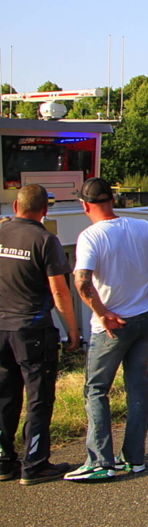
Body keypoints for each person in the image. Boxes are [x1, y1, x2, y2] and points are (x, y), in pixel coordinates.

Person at [64, 178, 148, 482]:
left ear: (84, 205)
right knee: (137, 388)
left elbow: (82, 281)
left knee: (96, 390)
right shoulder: (141, 226)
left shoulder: (90, 236)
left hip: (112, 327)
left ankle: (100, 462)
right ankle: (134, 458)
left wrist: (102, 314)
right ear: (113, 201)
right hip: (144, 318)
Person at [0, 184, 80, 485]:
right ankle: (35, 464)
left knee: (5, 395)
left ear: (15, 207)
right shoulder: (45, 240)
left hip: (1, 328)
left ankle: (4, 462)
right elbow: (59, 290)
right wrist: (72, 329)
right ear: (45, 210)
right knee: (39, 397)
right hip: (32, 330)